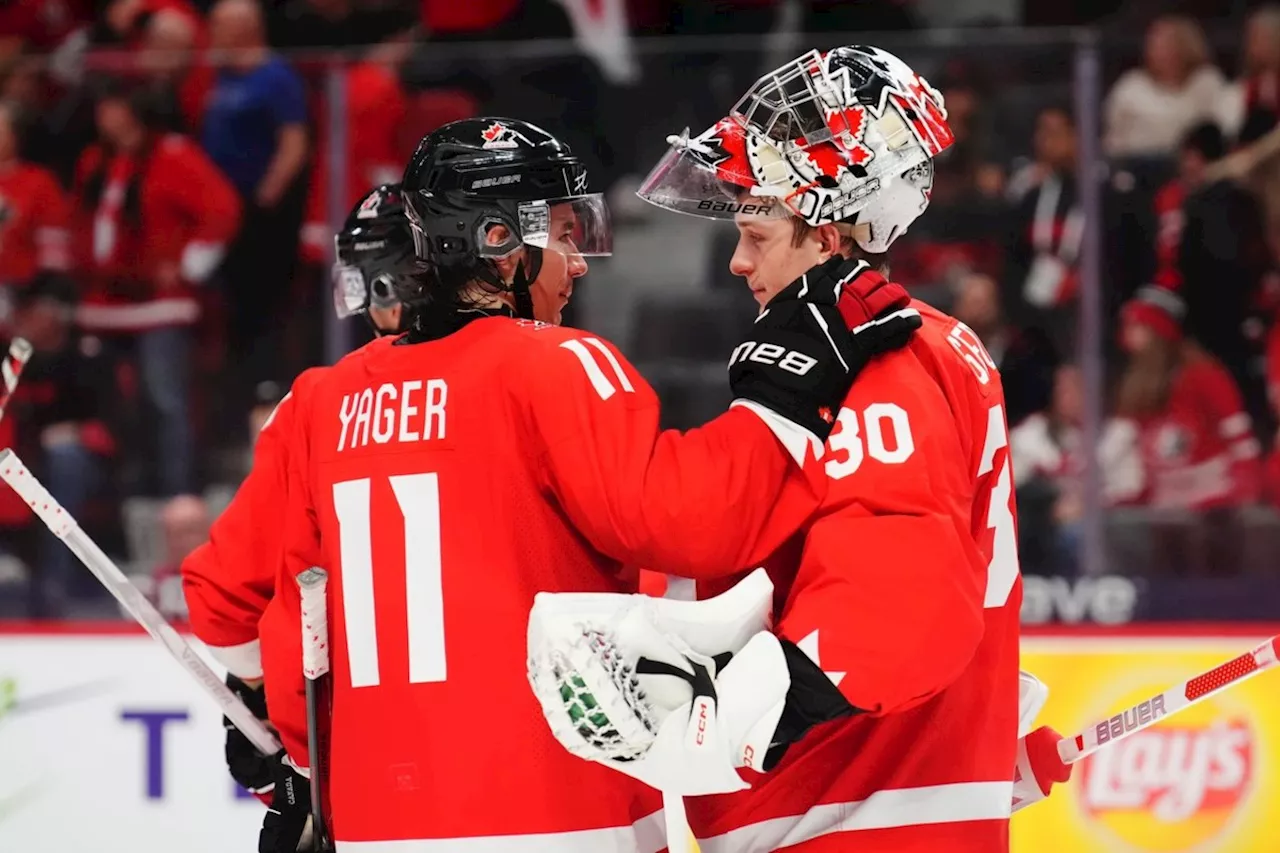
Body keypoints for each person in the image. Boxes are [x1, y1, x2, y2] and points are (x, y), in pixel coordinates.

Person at [255, 116, 923, 853]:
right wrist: (789, 385)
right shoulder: (554, 366)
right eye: (566, 234)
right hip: (559, 819)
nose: (578, 263)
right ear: (499, 241)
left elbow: (293, 643)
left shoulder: (323, 401)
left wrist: (302, 779)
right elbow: (693, 525)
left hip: (378, 826)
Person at [534, 46, 1070, 851]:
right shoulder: (936, 343)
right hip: (894, 799)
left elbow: (901, 602)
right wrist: (974, 754)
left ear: (825, 232)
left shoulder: (872, 357)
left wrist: (736, 721)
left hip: (844, 819)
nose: (739, 259)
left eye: (756, 230)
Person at [180, 184, 419, 801]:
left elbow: (222, 594)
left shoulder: (319, 404)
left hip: (361, 767)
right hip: (523, 762)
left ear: (390, 289)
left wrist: (260, 692)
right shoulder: (542, 372)